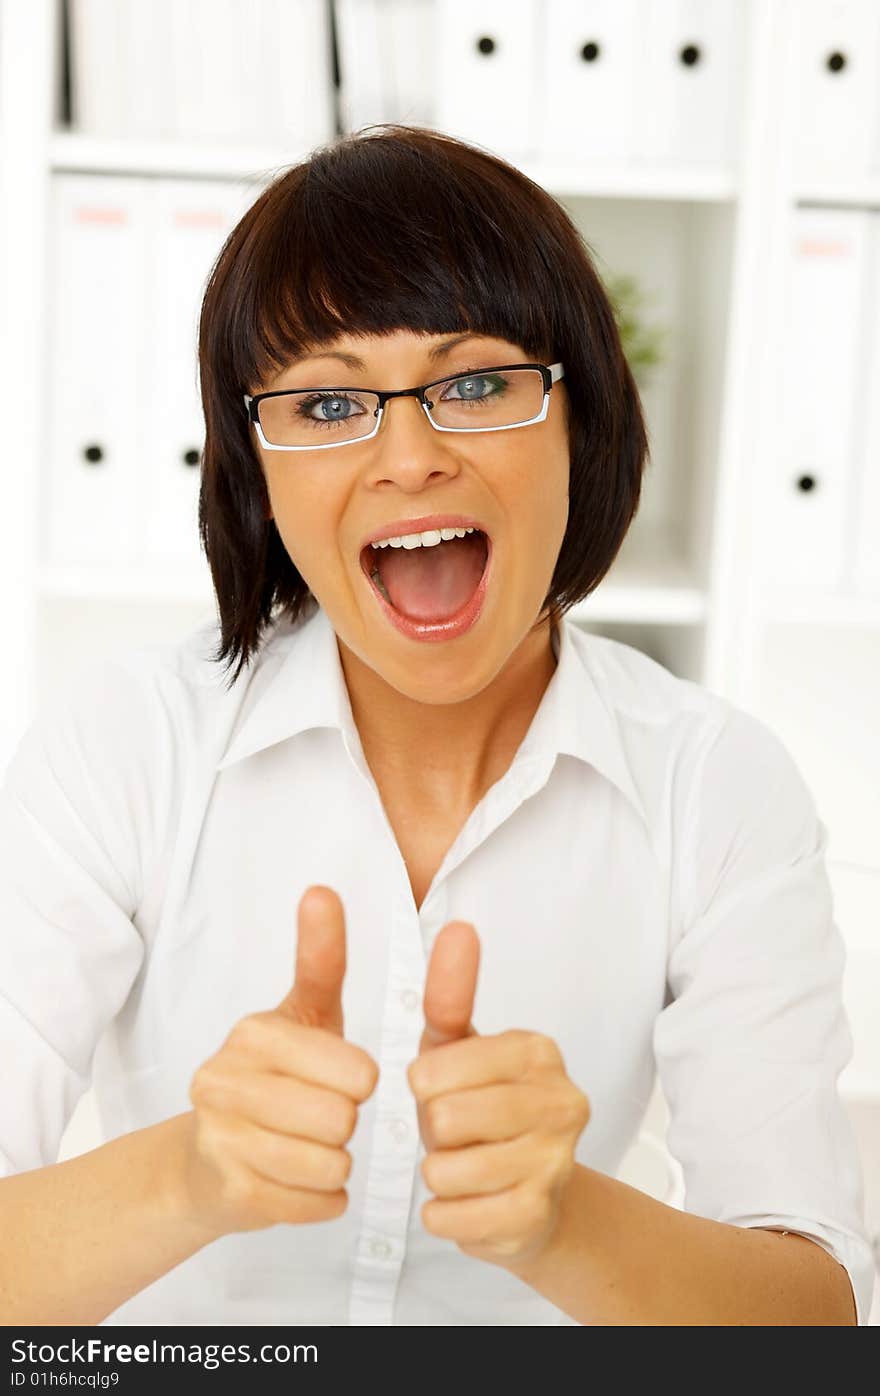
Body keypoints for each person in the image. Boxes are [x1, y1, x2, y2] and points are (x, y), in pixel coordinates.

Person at [0, 125, 873, 1327]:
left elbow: (810, 1313)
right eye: (326, 401)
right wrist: (188, 1174)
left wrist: (566, 1219)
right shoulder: (121, 745)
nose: (408, 456)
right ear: (255, 468)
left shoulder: (715, 785)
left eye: (474, 383)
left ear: (583, 420)